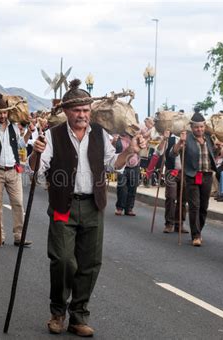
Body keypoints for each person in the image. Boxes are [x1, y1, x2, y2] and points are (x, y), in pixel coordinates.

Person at [29, 79, 146, 337]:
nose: (82, 115)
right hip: (63, 206)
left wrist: (130, 152)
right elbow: (38, 171)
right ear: (67, 112)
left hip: (93, 205)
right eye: (77, 111)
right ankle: (58, 312)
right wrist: (36, 154)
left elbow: (112, 164)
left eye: (85, 110)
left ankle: (78, 316)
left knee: (90, 263)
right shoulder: (51, 135)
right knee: (62, 260)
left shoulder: (100, 134)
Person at [0, 93, 34, 246]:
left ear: (8, 112)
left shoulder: (14, 127)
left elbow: (21, 145)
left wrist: (29, 132)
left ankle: (19, 236)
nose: (2, 115)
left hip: (13, 171)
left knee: (17, 203)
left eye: (5, 113)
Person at [176, 108, 217, 246]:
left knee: (204, 207)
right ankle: (196, 235)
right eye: (196, 127)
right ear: (191, 127)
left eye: (201, 127)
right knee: (194, 206)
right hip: (192, 176)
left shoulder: (209, 139)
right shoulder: (186, 138)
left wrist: (219, 148)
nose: (199, 129)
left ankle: (198, 229)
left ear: (204, 127)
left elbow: (214, 154)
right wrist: (179, 143)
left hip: (207, 176)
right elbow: (173, 153)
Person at [156, 129, 187, 233]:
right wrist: (164, 139)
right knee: (171, 197)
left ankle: (179, 224)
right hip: (171, 171)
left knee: (182, 199)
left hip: (185, 173)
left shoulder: (190, 139)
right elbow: (158, 151)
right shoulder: (170, 138)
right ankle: (169, 223)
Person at [114, 133, 140, 216]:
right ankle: (119, 208)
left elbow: (141, 151)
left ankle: (129, 208)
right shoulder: (119, 138)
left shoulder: (137, 138)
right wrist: (114, 142)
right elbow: (113, 150)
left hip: (134, 167)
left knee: (132, 188)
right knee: (122, 188)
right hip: (123, 167)